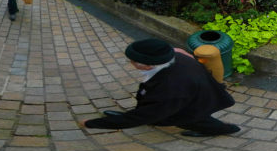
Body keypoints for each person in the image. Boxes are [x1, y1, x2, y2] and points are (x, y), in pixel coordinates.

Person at [78, 38, 239, 136]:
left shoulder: (169, 90)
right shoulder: (175, 54)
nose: (130, 63)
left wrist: (92, 123)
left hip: (188, 104)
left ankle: (224, 130)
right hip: (193, 94)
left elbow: (142, 117)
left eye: (133, 61)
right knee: (169, 112)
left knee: (192, 120)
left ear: (148, 66)